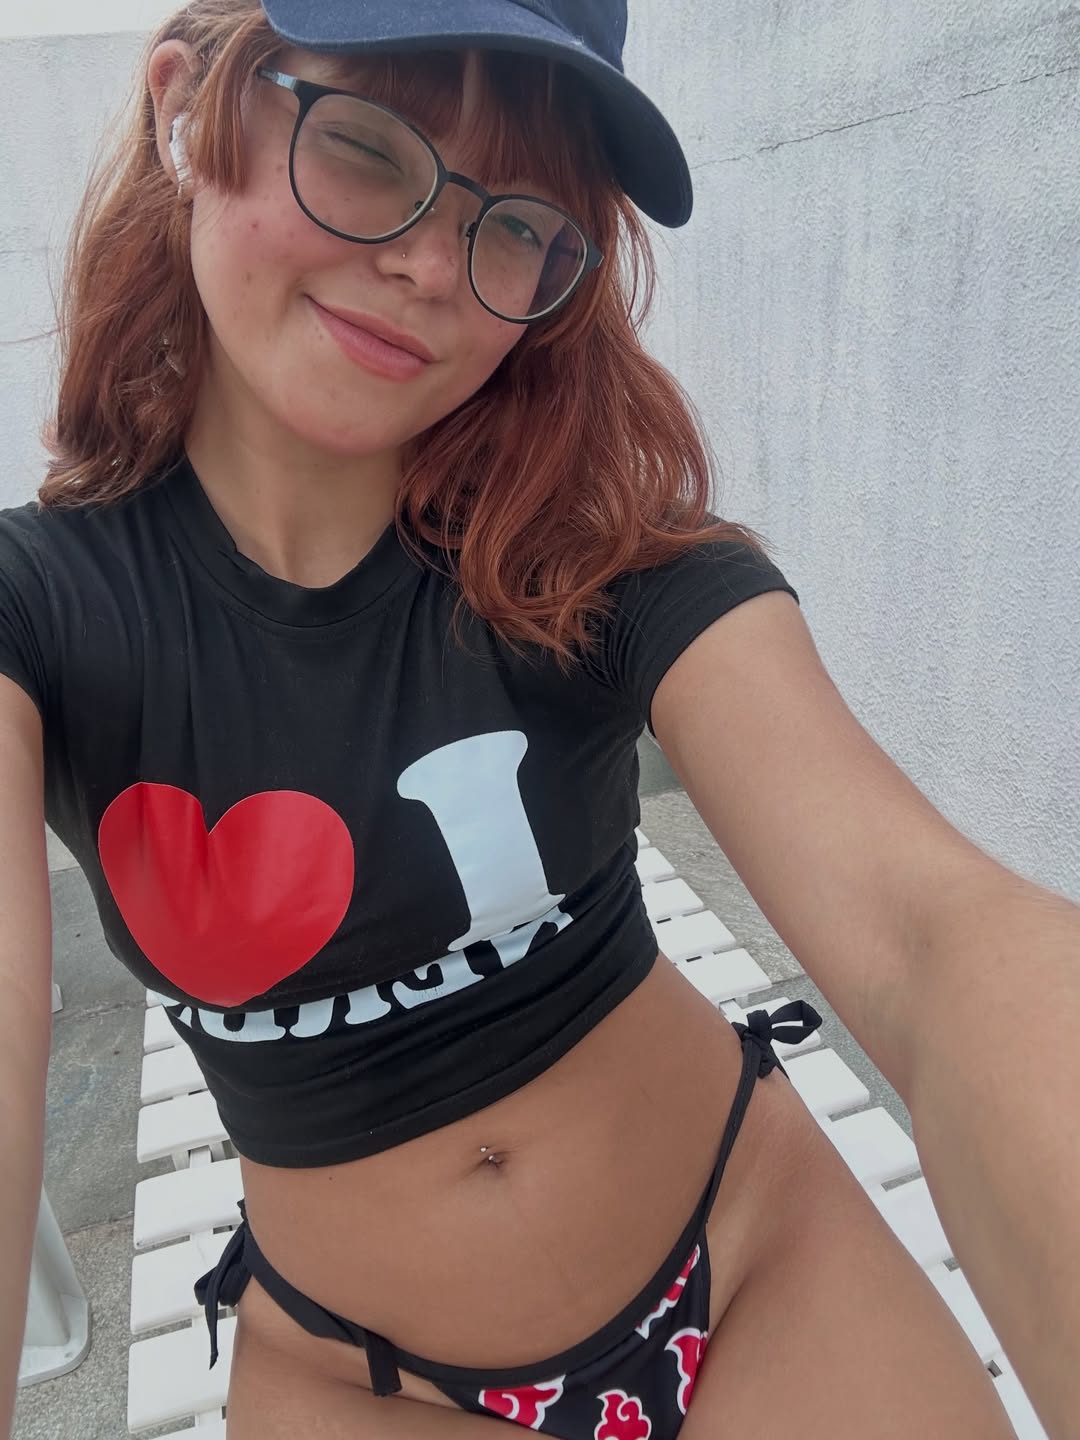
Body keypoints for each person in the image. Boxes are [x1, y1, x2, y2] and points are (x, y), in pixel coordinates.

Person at [0, 2, 1076, 1437]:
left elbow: (932, 931)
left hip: (753, 1256)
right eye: (367, 146)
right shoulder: (39, 610)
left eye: (517, 224)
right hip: (358, 1375)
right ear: (188, 109)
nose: (432, 266)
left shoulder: (589, 553)